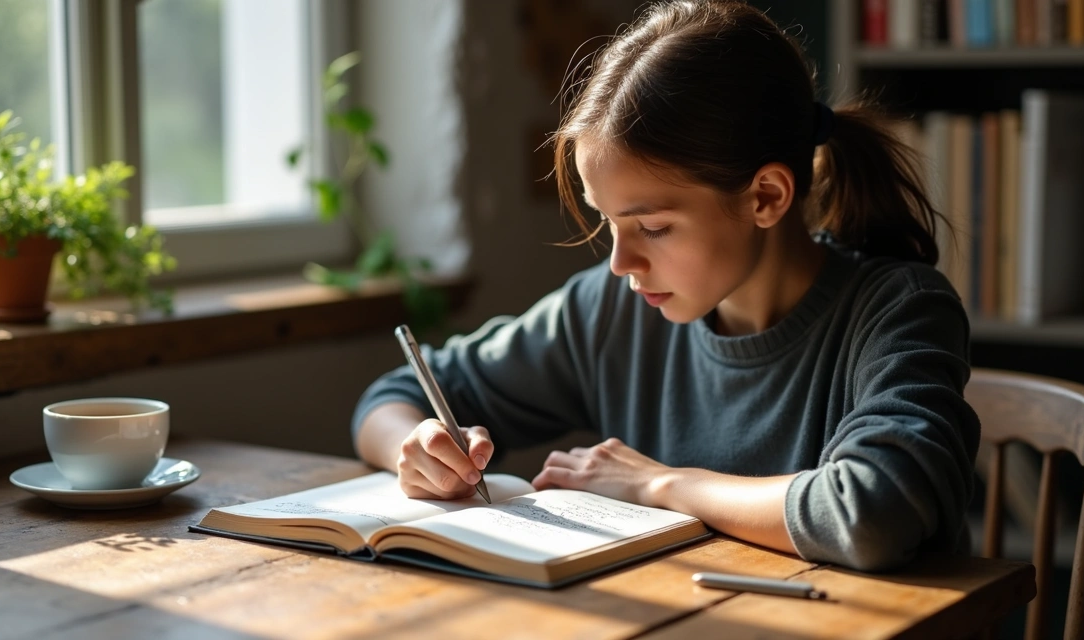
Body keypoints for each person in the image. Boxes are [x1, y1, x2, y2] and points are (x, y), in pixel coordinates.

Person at [352, 0, 978, 572]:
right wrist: (419, 449)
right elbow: (397, 392)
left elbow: (872, 512)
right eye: (608, 222)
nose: (621, 262)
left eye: (653, 226)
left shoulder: (899, 311)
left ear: (765, 196)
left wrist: (656, 485)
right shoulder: (610, 309)